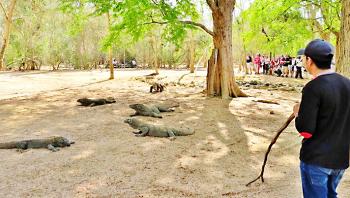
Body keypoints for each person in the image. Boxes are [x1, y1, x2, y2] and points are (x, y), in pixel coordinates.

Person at [293, 39, 350, 198]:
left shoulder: (313, 88)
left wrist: (298, 113)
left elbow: (306, 131)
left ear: (309, 60)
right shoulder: (347, 84)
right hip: (340, 159)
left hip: (317, 160)